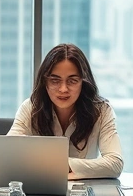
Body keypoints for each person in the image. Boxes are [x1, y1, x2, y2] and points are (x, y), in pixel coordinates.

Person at [8, 43, 123, 179]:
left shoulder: (102, 110)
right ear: (45, 82)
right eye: (55, 81)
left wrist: (60, 164)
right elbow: (7, 155)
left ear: (83, 82)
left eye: (72, 81)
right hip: (39, 193)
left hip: (82, 195)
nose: (63, 89)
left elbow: (115, 164)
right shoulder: (31, 107)